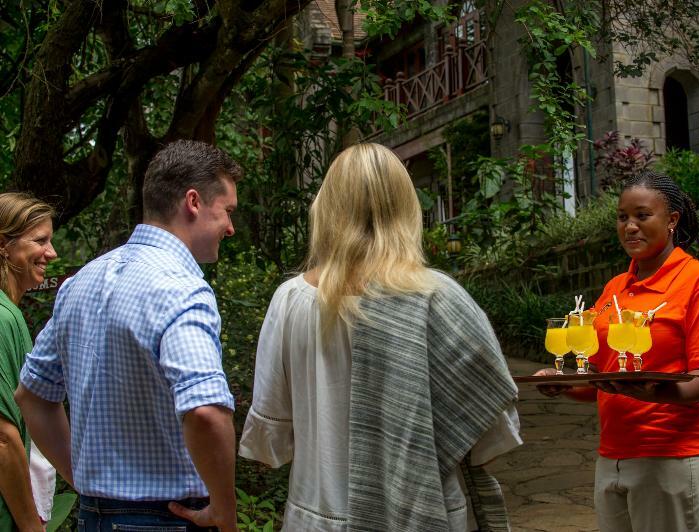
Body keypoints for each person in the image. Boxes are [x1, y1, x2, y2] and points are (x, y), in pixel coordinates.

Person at [239, 143, 522, 531]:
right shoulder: (441, 298)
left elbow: (271, 443)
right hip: (425, 512)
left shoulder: (291, 301)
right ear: (406, 208)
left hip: (320, 517)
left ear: (327, 207)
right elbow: (491, 433)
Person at [15, 140, 242, 532]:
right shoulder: (182, 288)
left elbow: (32, 395)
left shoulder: (82, 281)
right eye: (227, 211)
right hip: (167, 518)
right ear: (193, 202)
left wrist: (85, 478)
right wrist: (224, 511)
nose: (231, 227)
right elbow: (205, 411)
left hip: (94, 517)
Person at [537, 171, 699, 532]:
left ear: (671, 220)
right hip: (612, 455)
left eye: (642, 216)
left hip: (671, 458)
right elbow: (603, 377)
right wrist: (565, 382)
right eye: (622, 217)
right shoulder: (616, 287)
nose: (630, 226)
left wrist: (658, 391)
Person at [0, 193, 57, 532]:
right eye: (40, 240)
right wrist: (30, 526)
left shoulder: (11, 313)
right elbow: (4, 439)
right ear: (3, 245)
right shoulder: (4, 318)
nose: (52, 253)